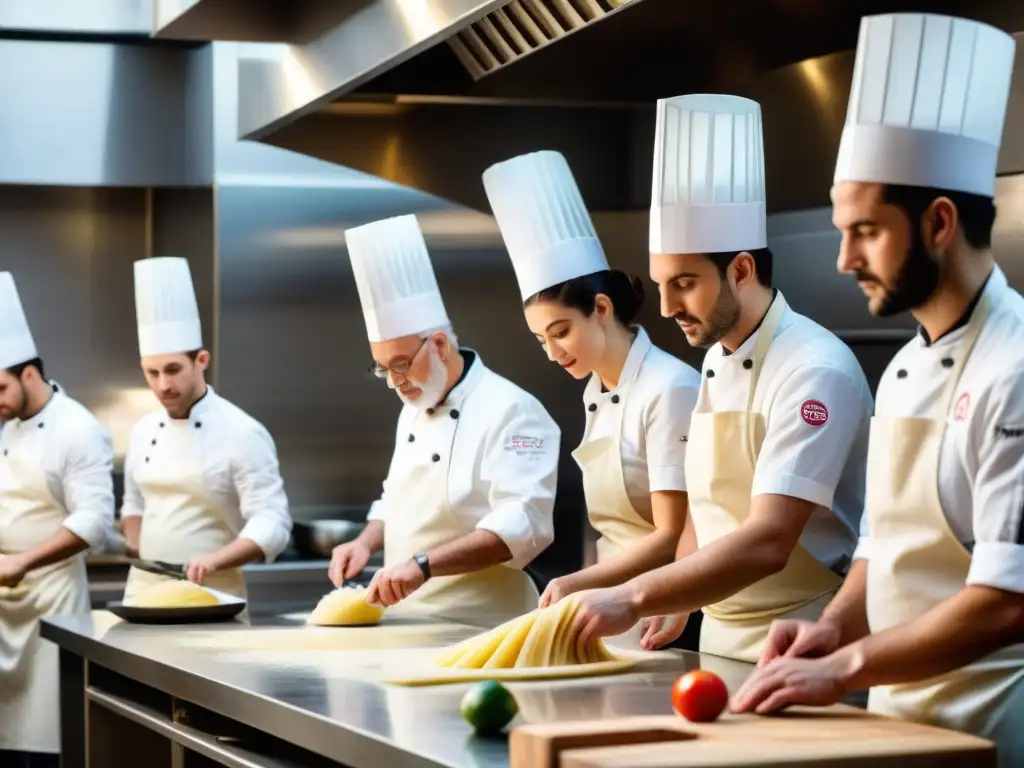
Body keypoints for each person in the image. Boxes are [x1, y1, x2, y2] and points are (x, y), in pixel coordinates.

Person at [731, 13, 1024, 763]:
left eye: (864, 231)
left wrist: (841, 668)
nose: (841, 259)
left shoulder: (1016, 367)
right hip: (896, 728)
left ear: (939, 222)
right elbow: (885, 545)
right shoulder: (900, 368)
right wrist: (834, 624)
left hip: (990, 725)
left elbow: (1005, 603)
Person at [569, 94, 873, 663]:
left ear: (741, 269)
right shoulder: (715, 356)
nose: (665, 307)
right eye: (661, 284)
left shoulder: (814, 369)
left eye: (683, 283)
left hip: (801, 641)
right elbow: (706, 510)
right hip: (719, 638)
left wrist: (634, 596)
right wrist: (678, 595)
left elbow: (768, 541)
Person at [482, 149, 701, 647]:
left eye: (561, 331)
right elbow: (607, 528)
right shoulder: (595, 393)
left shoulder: (671, 388)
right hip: (605, 609)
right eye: (541, 339)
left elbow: (672, 536)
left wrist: (576, 584)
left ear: (601, 308)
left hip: (659, 610)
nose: (552, 352)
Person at [328, 213, 560, 623]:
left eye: (401, 365)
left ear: (438, 344)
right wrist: (364, 543)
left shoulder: (514, 411)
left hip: (481, 625)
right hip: (409, 619)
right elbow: (397, 496)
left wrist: (422, 565)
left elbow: (521, 526)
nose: (394, 383)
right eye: (383, 369)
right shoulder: (414, 407)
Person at [121, 257, 292, 601]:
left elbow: (273, 520)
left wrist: (215, 560)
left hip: (212, 594)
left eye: (173, 369)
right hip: (143, 592)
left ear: (201, 360)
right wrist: (142, 550)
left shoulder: (242, 432)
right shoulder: (142, 431)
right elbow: (133, 504)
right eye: (151, 373)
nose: (163, 385)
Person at [0, 272, 115, 766]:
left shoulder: (78, 428)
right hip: (5, 606)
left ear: (30, 373)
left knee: (45, 741)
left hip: (52, 603)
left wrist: (21, 560)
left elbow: (95, 522)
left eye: (0, 387)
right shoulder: (6, 423)